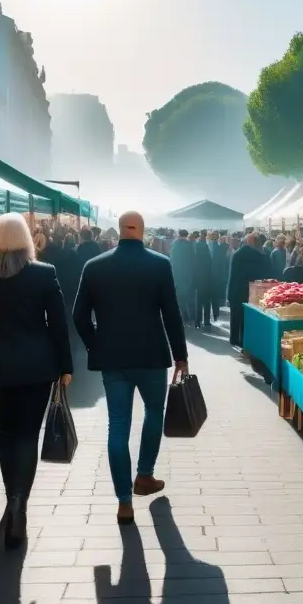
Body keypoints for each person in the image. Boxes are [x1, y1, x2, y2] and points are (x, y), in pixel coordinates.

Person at [0, 213, 72, 549]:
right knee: (27, 436)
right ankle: (20, 502)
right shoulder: (44, 274)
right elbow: (60, 325)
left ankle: (12, 498)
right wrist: (66, 367)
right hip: (37, 367)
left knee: (6, 433)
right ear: (27, 239)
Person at [73, 211, 188, 524]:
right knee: (154, 412)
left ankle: (124, 500)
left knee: (118, 424)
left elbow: (79, 316)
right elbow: (171, 314)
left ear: (119, 231)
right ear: (143, 231)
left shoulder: (94, 267)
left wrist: (94, 344)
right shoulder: (160, 265)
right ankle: (144, 475)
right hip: (151, 355)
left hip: (113, 357)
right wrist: (181, 355)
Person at [227, 232, 272, 347]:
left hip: (237, 289)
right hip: (255, 290)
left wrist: (229, 294)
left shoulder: (238, 254)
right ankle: (245, 340)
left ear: (248, 241)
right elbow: (266, 275)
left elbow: (232, 276)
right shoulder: (262, 255)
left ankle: (234, 338)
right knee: (247, 318)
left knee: (236, 315)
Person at [169, 229, 196, 323]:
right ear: (186, 235)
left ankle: (181, 315)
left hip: (176, 274)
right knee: (187, 296)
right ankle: (189, 316)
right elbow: (193, 261)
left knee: (178, 297)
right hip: (187, 274)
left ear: (179, 235)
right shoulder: (189, 246)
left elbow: (171, 260)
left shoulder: (174, 245)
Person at [193, 231, 214, 329]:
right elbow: (210, 266)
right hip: (207, 280)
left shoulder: (196, 253)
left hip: (198, 280)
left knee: (198, 301)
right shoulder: (207, 253)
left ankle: (197, 321)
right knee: (206, 301)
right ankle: (206, 321)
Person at [208, 232, 229, 322]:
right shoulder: (221, 247)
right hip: (218, 275)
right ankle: (216, 314)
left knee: (207, 297)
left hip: (208, 275)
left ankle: (208, 317)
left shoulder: (207, 246)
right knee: (215, 297)